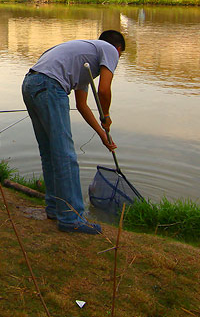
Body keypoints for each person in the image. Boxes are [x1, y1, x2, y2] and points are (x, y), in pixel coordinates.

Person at [21, 30, 125, 234]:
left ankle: (54, 208)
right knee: (66, 157)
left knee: (51, 154)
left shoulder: (84, 58)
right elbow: (104, 90)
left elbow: (82, 105)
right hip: (50, 87)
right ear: (119, 50)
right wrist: (106, 115)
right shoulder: (110, 50)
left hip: (30, 84)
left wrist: (103, 135)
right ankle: (71, 218)